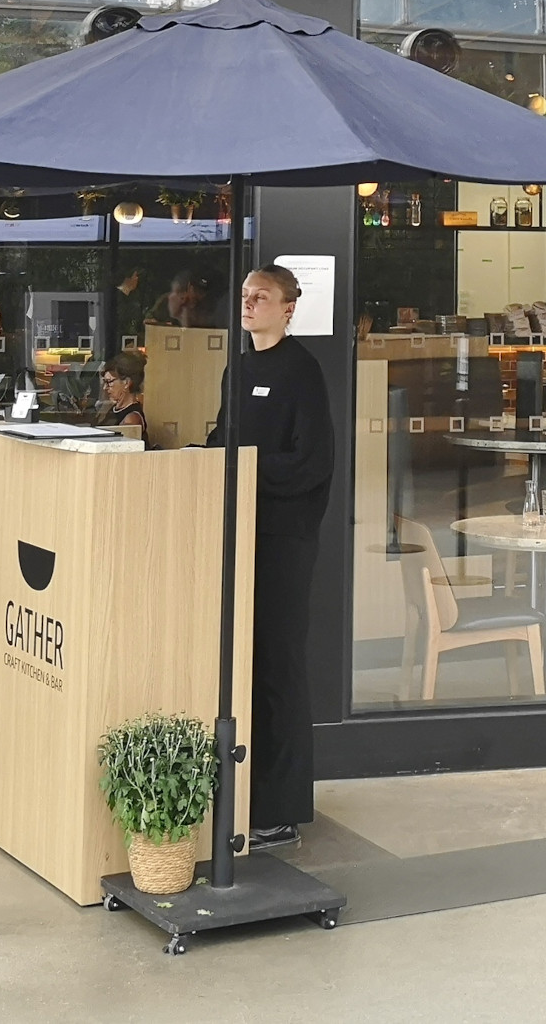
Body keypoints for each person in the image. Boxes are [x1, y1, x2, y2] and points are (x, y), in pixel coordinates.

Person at [206, 265, 332, 846]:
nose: (249, 303)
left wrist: (244, 467)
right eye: (245, 295)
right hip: (238, 532)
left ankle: (281, 810)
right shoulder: (239, 367)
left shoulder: (302, 371)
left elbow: (313, 461)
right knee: (242, 665)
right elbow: (222, 440)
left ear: (288, 308)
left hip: (285, 539)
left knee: (279, 666)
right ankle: (243, 797)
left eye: (262, 297)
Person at [99, 350, 149, 434]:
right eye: (104, 382)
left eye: (109, 382)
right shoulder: (113, 409)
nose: (105, 388)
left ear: (127, 383)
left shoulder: (132, 419)